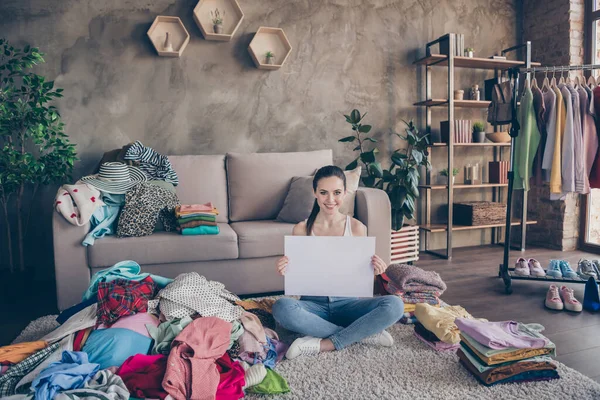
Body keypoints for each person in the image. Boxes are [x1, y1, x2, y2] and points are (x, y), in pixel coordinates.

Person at [272, 165, 404, 360]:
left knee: (395, 305)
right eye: (324, 192)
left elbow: (361, 272)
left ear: (345, 193)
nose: (330, 200)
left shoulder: (357, 228)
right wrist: (285, 266)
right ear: (315, 192)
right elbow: (299, 272)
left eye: (337, 193)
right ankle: (360, 334)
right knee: (281, 308)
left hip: (349, 305)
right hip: (313, 306)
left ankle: (327, 343)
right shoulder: (301, 229)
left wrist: (376, 269)